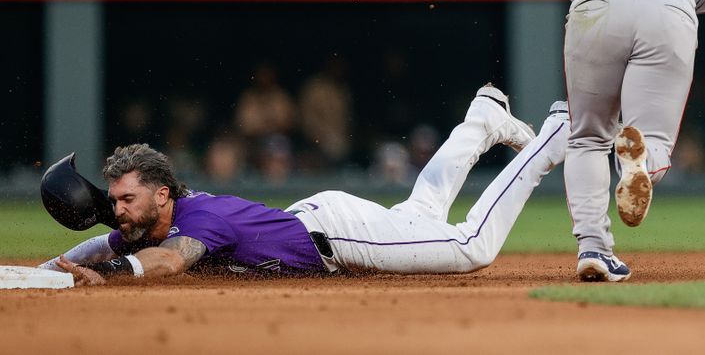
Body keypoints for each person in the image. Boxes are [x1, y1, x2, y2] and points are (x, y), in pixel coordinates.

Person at [388, 0, 705, 282]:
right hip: (671, 9)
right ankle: (638, 161)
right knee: (652, 142)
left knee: (586, 137)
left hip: (600, 1)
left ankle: (594, 250)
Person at [40, 85, 568, 286]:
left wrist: (106, 274)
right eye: (114, 200)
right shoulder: (150, 224)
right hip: (317, 222)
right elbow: (104, 241)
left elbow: (171, 262)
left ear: (162, 195)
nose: (118, 210)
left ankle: (554, 136)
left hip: (337, 235)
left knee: (470, 246)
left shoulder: (197, 220)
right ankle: (481, 118)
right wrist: (53, 269)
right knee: (421, 213)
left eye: (126, 198)